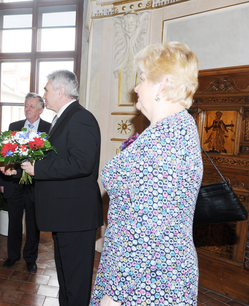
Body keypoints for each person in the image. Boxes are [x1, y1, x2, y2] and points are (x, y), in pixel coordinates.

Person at [90, 42, 202, 306]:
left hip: (145, 282)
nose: (136, 88)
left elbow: (147, 233)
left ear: (161, 84)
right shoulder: (175, 129)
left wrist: (114, 295)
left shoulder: (165, 143)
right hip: (151, 271)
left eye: (141, 79)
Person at [21, 70, 103, 306]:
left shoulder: (80, 118)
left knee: (75, 281)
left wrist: (39, 170)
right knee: (66, 276)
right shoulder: (63, 118)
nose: (44, 94)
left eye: (46, 89)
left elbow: (82, 163)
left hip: (75, 215)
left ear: (60, 91)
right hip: (65, 215)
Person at [0, 93, 51, 273]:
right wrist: (3, 180)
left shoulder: (49, 129)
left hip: (35, 185)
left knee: (32, 223)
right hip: (14, 182)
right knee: (14, 221)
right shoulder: (14, 127)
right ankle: (12, 256)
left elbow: (50, 159)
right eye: (26, 105)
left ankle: (30, 258)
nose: (27, 109)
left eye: (31, 106)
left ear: (41, 109)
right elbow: (4, 155)